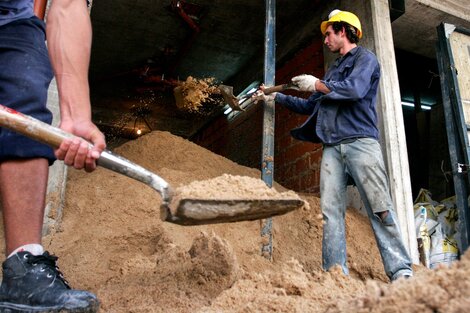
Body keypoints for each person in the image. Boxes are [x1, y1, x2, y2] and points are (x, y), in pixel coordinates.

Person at [253, 9, 413, 281]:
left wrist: (317, 84)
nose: (325, 39)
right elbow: (308, 106)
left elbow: (354, 90)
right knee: (330, 213)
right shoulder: (333, 70)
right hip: (332, 149)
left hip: (361, 143)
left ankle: (401, 272)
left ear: (343, 31)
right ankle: (336, 273)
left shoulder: (366, 59)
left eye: (329, 33)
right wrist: (274, 99)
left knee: (379, 207)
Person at [0, 0, 106, 311]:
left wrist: (76, 116)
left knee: (25, 87)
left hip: (12, 17)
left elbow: (68, 4)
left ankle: (23, 268)